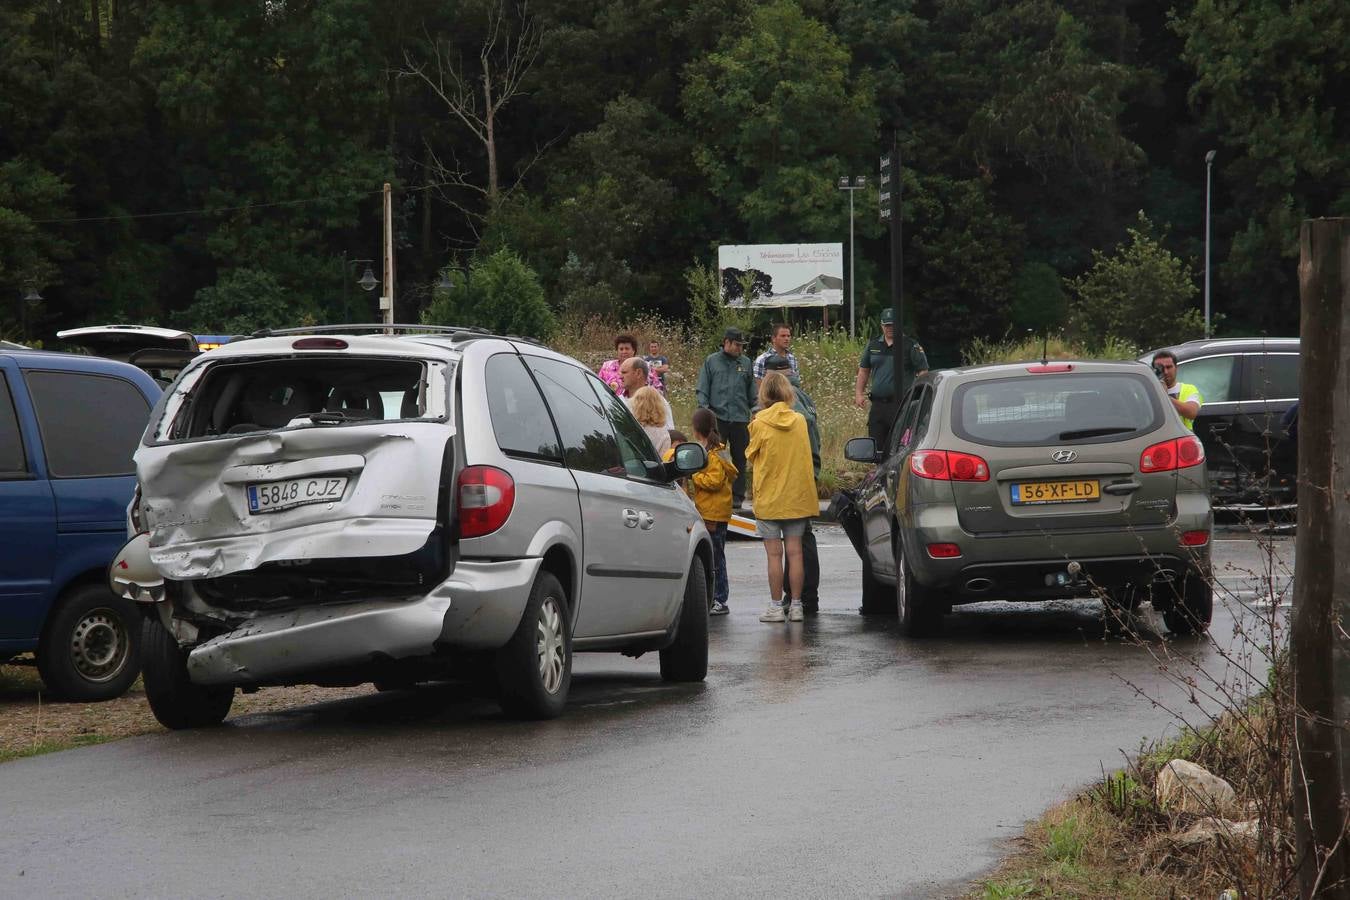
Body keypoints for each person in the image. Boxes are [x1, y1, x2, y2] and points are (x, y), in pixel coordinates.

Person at [746, 371, 818, 623]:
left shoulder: (758, 422)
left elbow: (751, 455)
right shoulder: (799, 420)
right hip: (796, 496)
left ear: (764, 393)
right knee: (795, 552)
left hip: (769, 497)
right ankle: (797, 605)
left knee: (774, 555)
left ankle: (776, 606)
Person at [762, 354, 820, 614]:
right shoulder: (802, 399)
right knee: (800, 544)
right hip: (804, 477)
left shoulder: (783, 409)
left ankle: (798, 599)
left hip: (782, 485)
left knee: (790, 548)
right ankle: (802, 600)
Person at [696, 327, 756, 509]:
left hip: (739, 418)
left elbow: (752, 390)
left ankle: (738, 496)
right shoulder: (711, 361)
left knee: (739, 457)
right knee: (716, 456)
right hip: (717, 419)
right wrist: (705, 411)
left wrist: (756, 410)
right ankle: (716, 490)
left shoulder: (745, 363)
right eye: (737, 345)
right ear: (727, 342)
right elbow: (703, 388)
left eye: (742, 345)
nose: (740, 348)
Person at [855, 308, 928, 450]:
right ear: (882, 325)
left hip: (902, 404)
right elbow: (864, 370)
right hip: (878, 405)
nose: (890, 328)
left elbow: (923, 372)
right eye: (887, 325)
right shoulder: (873, 345)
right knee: (876, 446)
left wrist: (916, 396)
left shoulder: (910, 345)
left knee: (899, 446)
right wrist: (859, 393)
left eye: (893, 325)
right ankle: (878, 470)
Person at [688, 408, 737, 616]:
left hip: (712, 513)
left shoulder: (713, 455)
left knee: (716, 557)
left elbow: (715, 481)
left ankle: (719, 598)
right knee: (716, 555)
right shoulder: (720, 450)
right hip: (717, 510)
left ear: (698, 431)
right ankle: (716, 597)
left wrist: (694, 476)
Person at [1151, 349, 1202, 429]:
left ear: (1176, 368)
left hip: (1180, 437)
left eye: (1169, 367)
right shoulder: (1146, 389)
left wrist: (1163, 395)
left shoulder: (1189, 389)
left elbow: (1191, 413)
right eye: (1160, 368)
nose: (1166, 372)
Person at [619, 357, 675, 427]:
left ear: (638, 373)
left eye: (624, 372)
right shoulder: (618, 401)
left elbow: (669, 431)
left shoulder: (658, 402)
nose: (620, 377)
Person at [753, 322, 798, 387]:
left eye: (788, 336)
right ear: (774, 338)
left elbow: (796, 383)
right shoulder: (762, 359)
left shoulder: (792, 358)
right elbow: (758, 388)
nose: (786, 339)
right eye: (783, 336)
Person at [630, 387, 672, 457]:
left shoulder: (629, 429)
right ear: (659, 405)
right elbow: (664, 462)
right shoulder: (663, 435)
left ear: (636, 405)